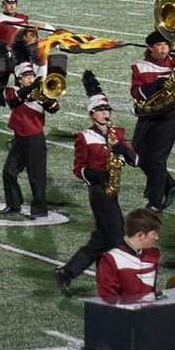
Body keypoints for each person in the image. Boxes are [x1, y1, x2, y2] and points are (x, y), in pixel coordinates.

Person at [55, 71, 139, 296]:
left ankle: (67, 272)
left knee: (101, 239)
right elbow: (78, 169)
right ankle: (117, 282)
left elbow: (137, 161)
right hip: (98, 191)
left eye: (107, 110)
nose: (105, 113)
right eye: (101, 110)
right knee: (116, 237)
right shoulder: (84, 137)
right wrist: (96, 175)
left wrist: (124, 150)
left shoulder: (117, 133)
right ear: (92, 113)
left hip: (113, 190)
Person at [130, 30, 175, 213]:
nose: (163, 48)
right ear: (150, 48)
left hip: (169, 118)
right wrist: (156, 85)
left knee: (158, 160)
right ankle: (170, 184)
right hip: (147, 116)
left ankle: (155, 201)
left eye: (166, 45)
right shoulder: (140, 67)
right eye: (159, 45)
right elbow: (137, 93)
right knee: (138, 156)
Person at [1, 40, 59, 219]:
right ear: (19, 78)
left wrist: (46, 99)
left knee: (36, 177)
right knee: (9, 172)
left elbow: (55, 108)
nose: (30, 78)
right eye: (26, 76)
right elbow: (14, 101)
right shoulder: (11, 90)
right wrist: (31, 89)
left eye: (31, 75)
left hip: (35, 140)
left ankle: (39, 210)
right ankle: (13, 205)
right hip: (19, 139)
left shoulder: (41, 92)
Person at [95, 208, 162, 304]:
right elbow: (109, 299)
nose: (157, 237)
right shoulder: (111, 259)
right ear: (140, 235)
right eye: (154, 233)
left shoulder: (153, 253)